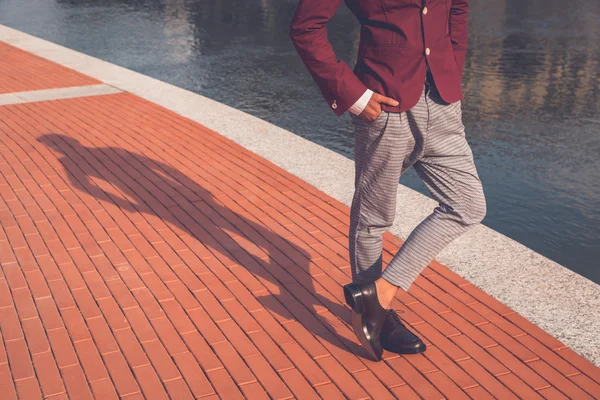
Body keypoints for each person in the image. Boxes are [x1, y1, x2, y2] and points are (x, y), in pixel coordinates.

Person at [289, 0, 486, 361]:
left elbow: (457, 8)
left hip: (442, 100)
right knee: (373, 218)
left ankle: (378, 295)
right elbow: (306, 28)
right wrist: (353, 95)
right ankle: (376, 317)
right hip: (384, 104)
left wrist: (452, 67)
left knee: (467, 205)